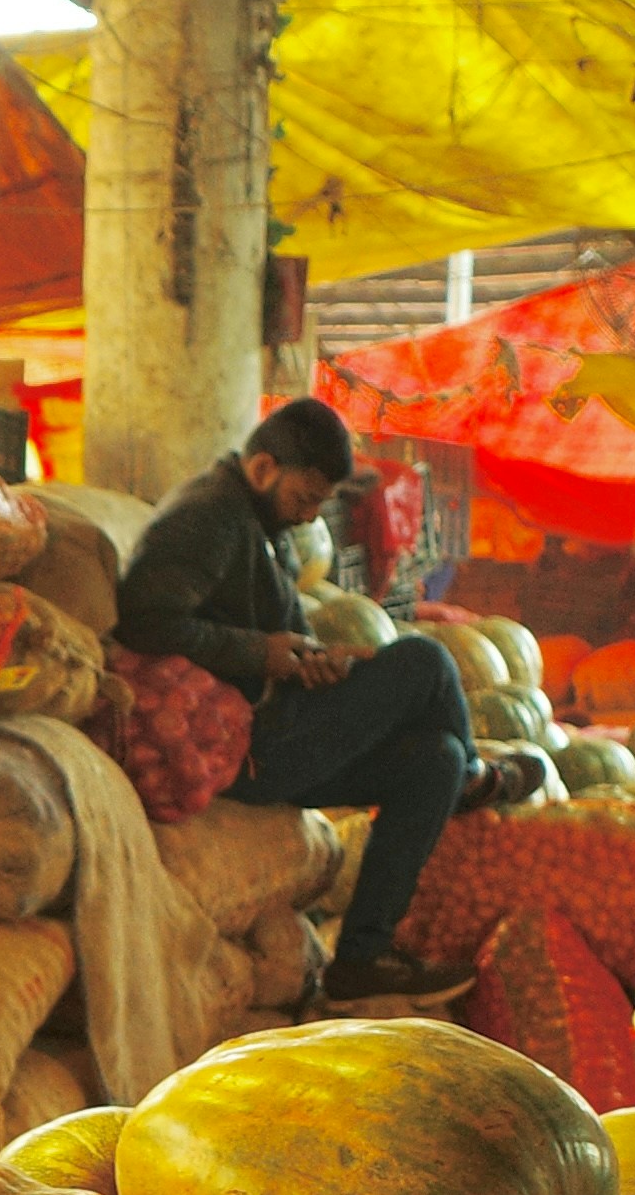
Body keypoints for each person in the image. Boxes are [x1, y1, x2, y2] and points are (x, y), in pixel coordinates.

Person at [113, 397, 514, 1011]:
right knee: (425, 662)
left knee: (433, 756)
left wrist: (315, 659)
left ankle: (360, 960)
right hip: (243, 748)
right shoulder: (207, 517)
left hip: (279, 725)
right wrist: (260, 653)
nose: (308, 517)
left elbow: (269, 635)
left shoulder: (262, 527)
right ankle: (473, 781)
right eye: (304, 499)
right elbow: (144, 622)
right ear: (265, 468)